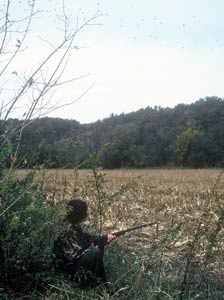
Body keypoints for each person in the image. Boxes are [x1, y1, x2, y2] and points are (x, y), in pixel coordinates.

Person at [53, 198, 116, 288]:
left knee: (98, 245)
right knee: (95, 252)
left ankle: (93, 281)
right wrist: (92, 247)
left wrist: (104, 239)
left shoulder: (73, 225)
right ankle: (104, 286)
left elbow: (87, 238)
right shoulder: (67, 229)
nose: (87, 214)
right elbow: (73, 256)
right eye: (85, 212)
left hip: (70, 265)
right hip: (66, 269)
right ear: (79, 214)